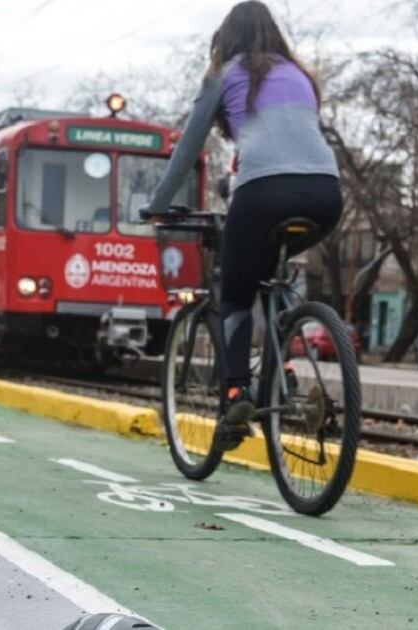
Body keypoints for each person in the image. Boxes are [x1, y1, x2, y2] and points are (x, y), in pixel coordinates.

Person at [145, 0, 343, 446]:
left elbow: (187, 147)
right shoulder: (301, 76)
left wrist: (158, 204)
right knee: (267, 272)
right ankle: (285, 362)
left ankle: (236, 395)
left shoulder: (224, 74)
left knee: (234, 294)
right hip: (326, 194)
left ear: (225, 39)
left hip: (262, 194)